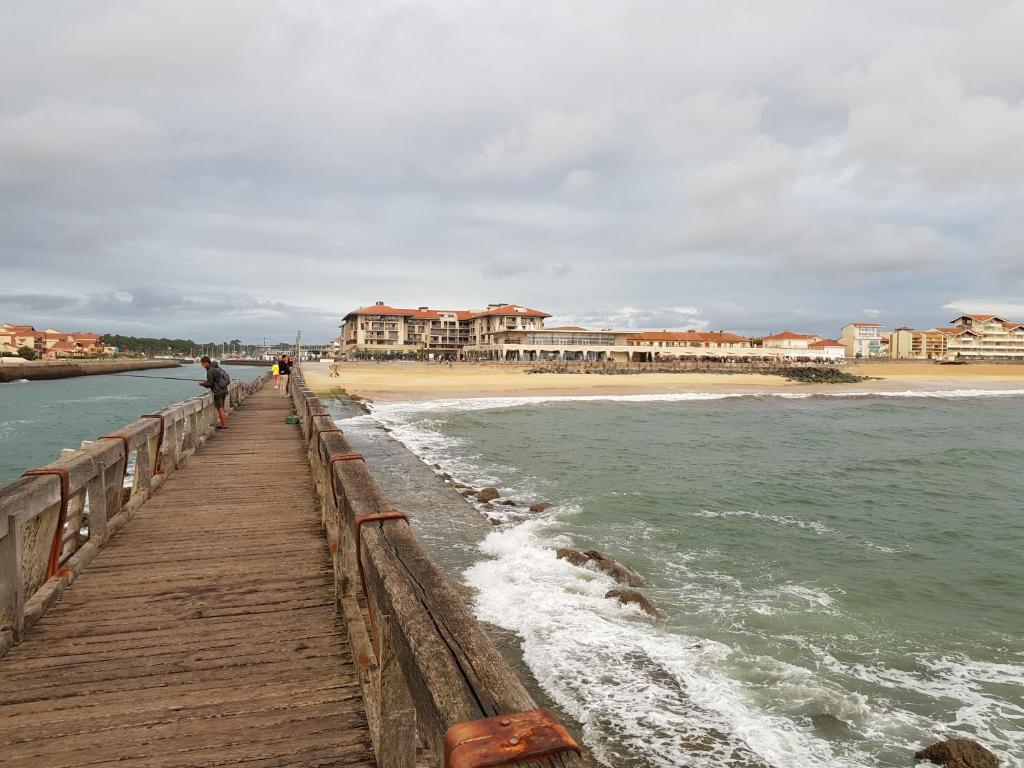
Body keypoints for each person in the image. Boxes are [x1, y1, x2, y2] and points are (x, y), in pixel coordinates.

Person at [198, 356, 230, 430]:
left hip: (218, 392)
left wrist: (202, 384)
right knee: (221, 408)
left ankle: (224, 426)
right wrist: (206, 382)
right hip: (223, 389)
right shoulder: (217, 368)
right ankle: (222, 425)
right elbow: (215, 380)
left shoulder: (210, 370)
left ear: (206, 363)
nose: (202, 365)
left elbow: (210, 384)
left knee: (220, 408)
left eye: (202, 364)